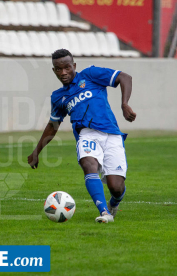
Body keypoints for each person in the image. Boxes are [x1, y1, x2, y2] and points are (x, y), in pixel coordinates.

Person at [28, 49, 136, 223]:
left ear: (74, 66)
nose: (63, 72)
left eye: (67, 67)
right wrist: (36, 151)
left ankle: (113, 204)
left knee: (116, 187)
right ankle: (104, 213)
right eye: (58, 69)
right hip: (86, 134)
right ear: (54, 70)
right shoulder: (58, 97)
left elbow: (125, 77)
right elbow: (53, 126)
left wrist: (124, 104)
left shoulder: (91, 75)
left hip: (112, 135)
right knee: (88, 164)